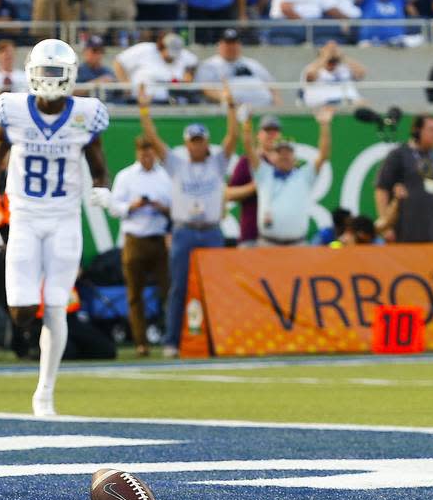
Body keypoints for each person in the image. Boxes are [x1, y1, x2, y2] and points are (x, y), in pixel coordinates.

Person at [0, 39, 110, 416]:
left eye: (56, 72)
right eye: (44, 71)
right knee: (21, 309)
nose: (49, 80)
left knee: (55, 306)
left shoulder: (87, 113)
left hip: (65, 218)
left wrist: (102, 189)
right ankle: (33, 353)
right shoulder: (12, 108)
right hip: (25, 217)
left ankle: (45, 391)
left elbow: (98, 164)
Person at [136, 82, 238, 358]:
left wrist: (230, 106)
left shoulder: (217, 162)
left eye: (200, 141)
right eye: (192, 141)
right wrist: (144, 109)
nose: (197, 145)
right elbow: (153, 139)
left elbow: (233, 136)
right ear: (187, 143)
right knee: (178, 287)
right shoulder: (177, 164)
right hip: (184, 231)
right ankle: (172, 341)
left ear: (206, 142)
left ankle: (217, 339)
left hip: (211, 230)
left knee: (215, 287)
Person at [104, 135, 171, 357]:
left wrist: (162, 208)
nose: (147, 156)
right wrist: (132, 206)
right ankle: (141, 343)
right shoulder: (126, 177)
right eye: (143, 152)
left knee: (168, 292)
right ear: (137, 153)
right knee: (134, 294)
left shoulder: (166, 176)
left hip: (160, 238)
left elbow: (176, 207)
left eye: (150, 152)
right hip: (134, 238)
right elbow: (114, 208)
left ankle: (172, 340)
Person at [245, 107, 334, 247]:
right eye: (280, 152)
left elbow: (323, 155)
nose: (284, 155)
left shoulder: (304, 175)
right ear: (273, 156)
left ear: (295, 157)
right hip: (267, 244)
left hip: (298, 244)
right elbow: (248, 148)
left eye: (288, 152)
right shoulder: (264, 173)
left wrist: (324, 125)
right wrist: (246, 124)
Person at [374, 115, 433, 243]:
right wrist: (386, 225)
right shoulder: (399, 155)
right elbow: (382, 189)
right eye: (431, 130)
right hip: (407, 229)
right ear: (417, 130)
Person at [226, 114, 282, 247]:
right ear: (258, 135)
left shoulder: (286, 165)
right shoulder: (247, 162)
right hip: (252, 235)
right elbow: (228, 194)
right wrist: (255, 186)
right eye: (267, 131)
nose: (271, 135)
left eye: (274, 131)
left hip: (280, 236)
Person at [195, 28, 278, 107]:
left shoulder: (252, 64)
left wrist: (279, 108)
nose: (231, 47)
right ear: (220, 45)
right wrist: (225, 98)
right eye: (228, 43)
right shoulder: (209, 65)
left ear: (239, 45)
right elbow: (205, 88)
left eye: (234, 43)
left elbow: (272, 86)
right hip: (228, 112)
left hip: (261, 109)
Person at [113, 31, 198, 104]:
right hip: (138, 101)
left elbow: (194, 62)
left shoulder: (183, 55)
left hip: (168, 102)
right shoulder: (144, 49)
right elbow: (118, 62)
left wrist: (189, 74)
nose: (172, 57)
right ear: (161, 46)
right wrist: (126, 85)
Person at [300, 40, 366, 108]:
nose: (332, 51)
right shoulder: (312, 67)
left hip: (348, 100)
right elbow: (310, 77)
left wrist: (343, 57)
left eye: (334, 49)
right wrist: (325, 57)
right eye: (329, 49)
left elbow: (361, 73)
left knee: (363, 105)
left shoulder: (345, 67)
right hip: (322, 102)